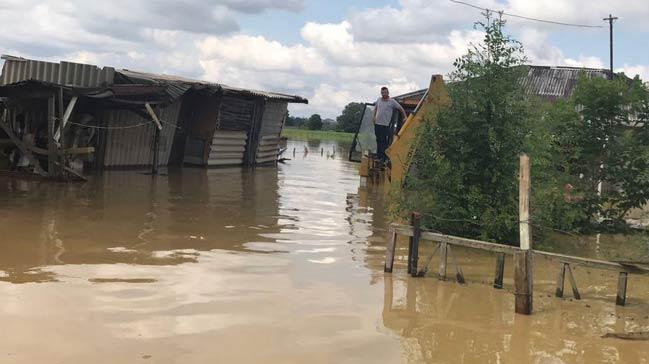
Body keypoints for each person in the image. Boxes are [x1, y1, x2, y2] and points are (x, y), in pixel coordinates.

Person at [372, 86, 406, 162]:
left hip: (385, 125)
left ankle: (383, 158)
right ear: (381, 93)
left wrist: (404, 116)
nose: (383, 94)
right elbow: (375, 109)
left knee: (384, 141)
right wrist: (373, 117)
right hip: (377, 124)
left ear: (388, 93)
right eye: (382, 92)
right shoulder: (378, 100)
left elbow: (401, 108)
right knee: (378, 140)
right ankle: (378, 156)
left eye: (385, 92)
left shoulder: (392, 102)